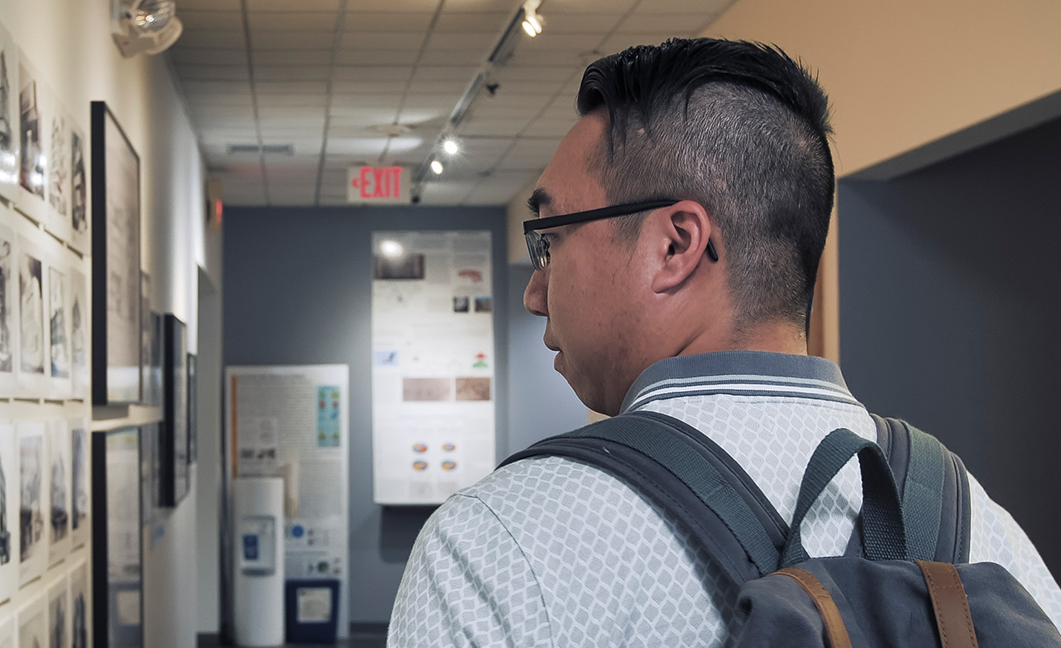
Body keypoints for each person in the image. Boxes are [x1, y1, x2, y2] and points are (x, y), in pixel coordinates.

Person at [387, 38, 1061, 647]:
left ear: (675, 245)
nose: (535, 292)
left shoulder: (495, 545)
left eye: (549, 240)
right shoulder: (982, 527)